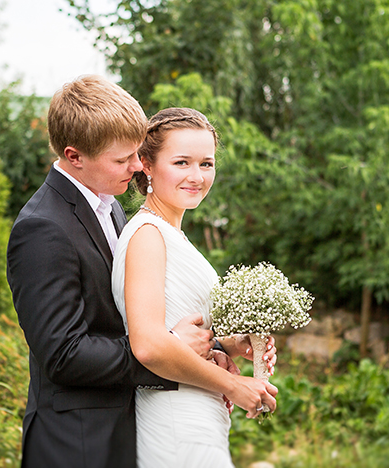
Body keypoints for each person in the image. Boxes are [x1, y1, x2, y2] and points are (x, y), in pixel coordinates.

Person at [6, 76, 220, 468]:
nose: (138, 166)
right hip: (75, 443)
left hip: (127, 430)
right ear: (75, 156)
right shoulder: (42, 229)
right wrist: (164, 349)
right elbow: (64, 355)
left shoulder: (111, 204)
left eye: (136, 154)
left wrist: (214, 346)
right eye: (123, 160)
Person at [111, 107, 279, 468]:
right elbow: (151, 345)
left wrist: (230, 345)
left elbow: (178, 331)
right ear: (147, 165)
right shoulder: (147, 236)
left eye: (207, 163)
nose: (197, 176)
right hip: (174, 415)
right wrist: (234, 386)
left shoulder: (172, 235)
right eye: (182, 162)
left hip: (199, 411)